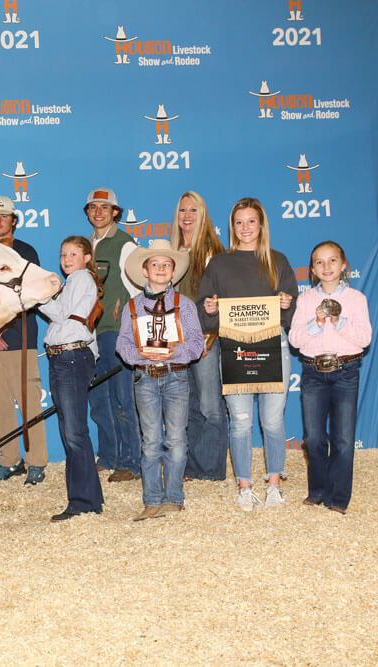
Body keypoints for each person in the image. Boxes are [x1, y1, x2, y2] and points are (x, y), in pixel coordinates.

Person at [198, 197, 297, 511]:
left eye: (251, 221)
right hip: (235, 347)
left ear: (261, 224)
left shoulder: (278, 261)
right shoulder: (219, 264)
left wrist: (286, 304)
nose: (245, 228)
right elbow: (205, 312)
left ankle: (274, 485)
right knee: (240, 421)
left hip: (273, 345)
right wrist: (210, 308)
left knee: (272, 421)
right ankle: (244, 485)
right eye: (238, 222)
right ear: (232, 226)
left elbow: (293, 311)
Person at [116, 240, 204, 521]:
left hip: (176, 375)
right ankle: (152, 499)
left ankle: (174, 497)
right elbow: (123, 344)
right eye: (155, 264)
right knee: (151, 440)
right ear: (145, 270)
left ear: (173, 271)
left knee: (176, 439)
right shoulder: (133, 306)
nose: (161, 268)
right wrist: (139, 355)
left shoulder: (185, 305)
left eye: (167, 264)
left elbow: (197, 343)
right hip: (145, 377)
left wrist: (170, 351)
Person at [289, 241, 371, 514]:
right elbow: (296, 340)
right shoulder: (305, 299)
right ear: (312, 269)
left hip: (346, 370)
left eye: (332, 261)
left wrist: (339, 321)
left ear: (344, 265)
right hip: (313, 372)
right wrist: (316, 322)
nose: (326, 267)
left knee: (344, 439)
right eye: (320, 262)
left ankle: (338, 498)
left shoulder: (357, 299)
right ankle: (318, 491)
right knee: (313, 438)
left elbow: (365, 339)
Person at [0, 195, 49, 485]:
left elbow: (26, 295)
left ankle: (37, 462)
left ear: (14, 221)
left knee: (29, 402)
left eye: (4, 216)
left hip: (19, 336)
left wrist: (1, 330)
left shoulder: (25, 252)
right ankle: (9, 460)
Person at [40, 236, 104, 521]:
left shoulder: (80, 278)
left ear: (87, 258)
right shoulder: (74, 282)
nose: (67, 259)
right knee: (73, 431)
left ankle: (82, 502)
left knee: (74, 432)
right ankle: (89, 498)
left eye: (74, 253)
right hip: (65, 357)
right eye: (63, 253)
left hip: (70, 358)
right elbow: (61, 314)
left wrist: (38, 295)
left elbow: (61, 313)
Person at [83, 187, 142, 482]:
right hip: (89, 333)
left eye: (105, 208)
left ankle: (132, 461)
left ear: (115, 212)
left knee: (122, 398)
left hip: (115, 331)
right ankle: (108, 456)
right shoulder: (85, 246)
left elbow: (137, 290)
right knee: (99, 399)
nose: (99, 212)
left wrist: (126, 324)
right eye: (93, 207)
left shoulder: (125, 245)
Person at [169, 191, 228, 481]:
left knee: (209, 405)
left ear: (202, 214)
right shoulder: (171, 250)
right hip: (178, 338)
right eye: (182, 211)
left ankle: (212, 468)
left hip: (205, 337)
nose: (187, 216)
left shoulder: (212, 250)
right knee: (188, 403)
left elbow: (218, 300)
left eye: (193, 210)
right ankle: (193, 466)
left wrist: (208, 334)